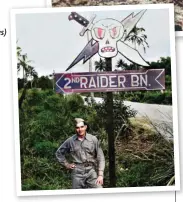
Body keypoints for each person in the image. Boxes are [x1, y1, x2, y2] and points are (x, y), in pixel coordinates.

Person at [55, 118, 105, 189]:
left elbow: (101, 157)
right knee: (77, 196)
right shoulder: (70, 141)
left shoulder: (93, 139)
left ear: (85, 127)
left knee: (99, 191)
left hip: (91, 171)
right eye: (77, 127)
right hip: (77, 172)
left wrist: (100, 175)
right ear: (75, 129)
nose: (80, 129)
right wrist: (67, 164)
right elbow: (59, 153)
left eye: (82, 127)